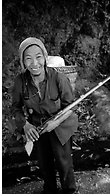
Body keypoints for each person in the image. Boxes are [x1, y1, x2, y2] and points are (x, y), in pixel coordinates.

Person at [12, 37, 78, 194]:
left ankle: (69, 190)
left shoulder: (58, 78)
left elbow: (71, 106)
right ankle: (49, 190)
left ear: (45, 57)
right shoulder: (20, 82)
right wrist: (26, 125)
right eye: (28, 59)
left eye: (38, 57)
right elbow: (15, 108)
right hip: (38, 128)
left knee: (64, 162)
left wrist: (56, 123)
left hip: (60, 126)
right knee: (44, 163)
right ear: (23, 62)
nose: (34, 63)